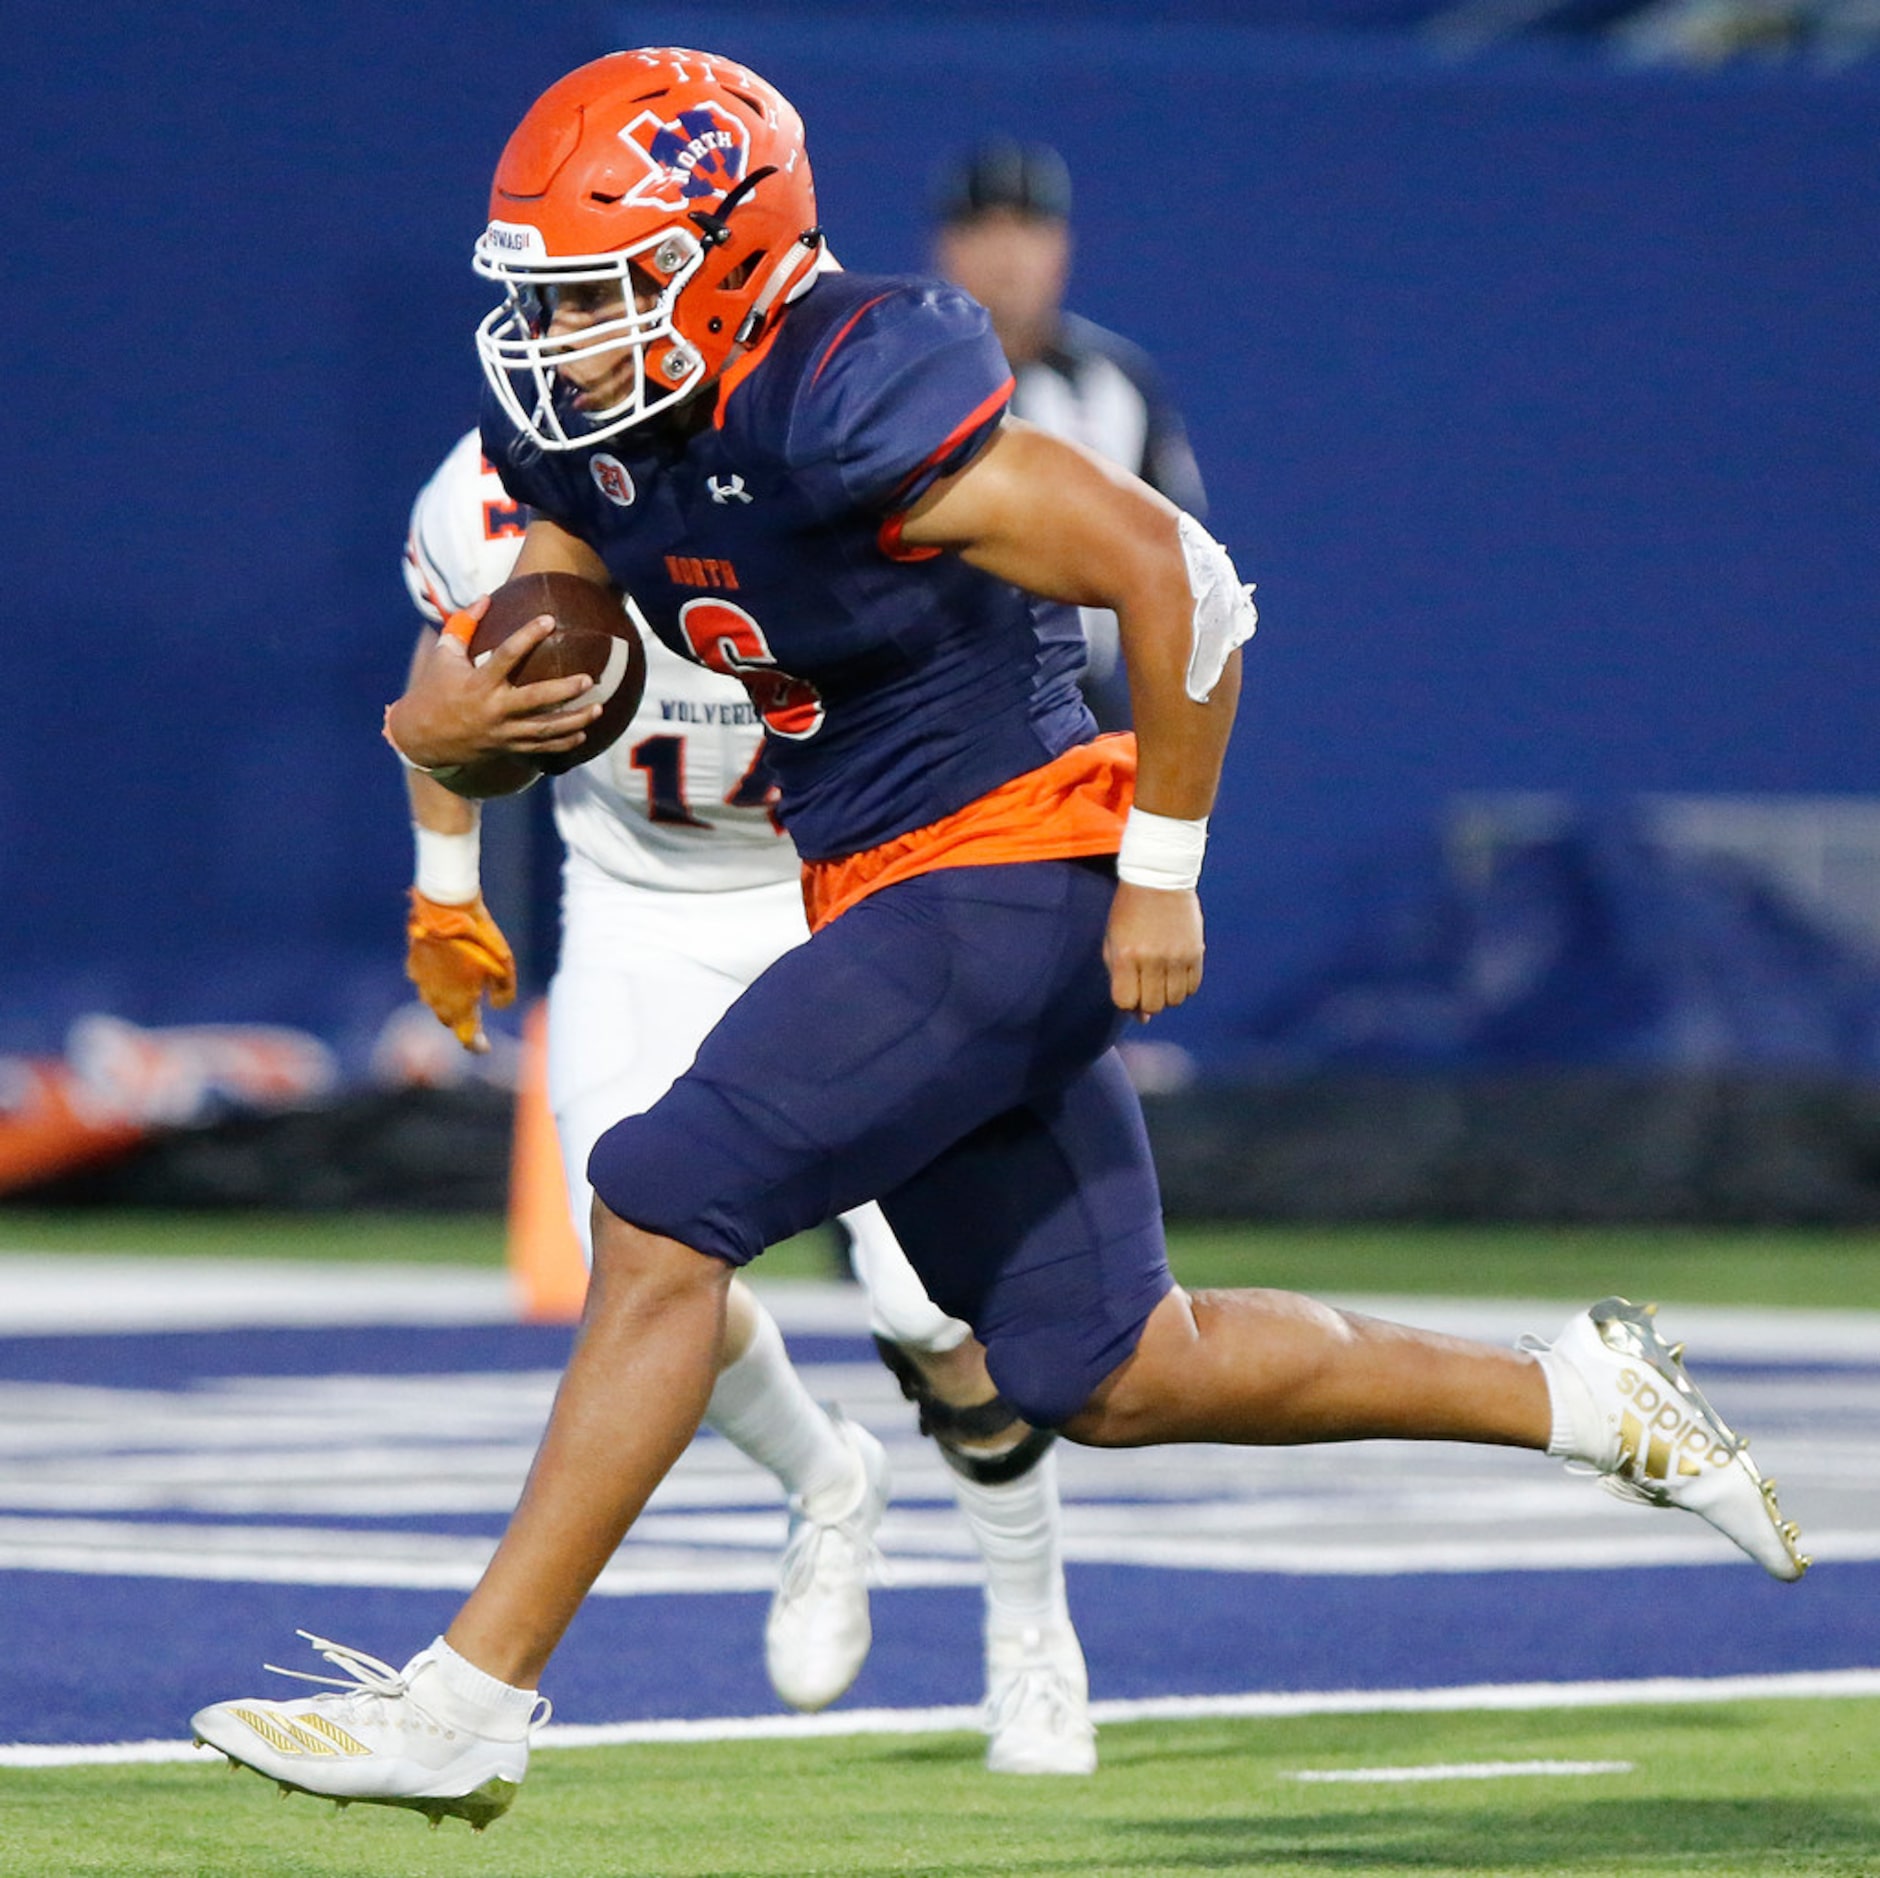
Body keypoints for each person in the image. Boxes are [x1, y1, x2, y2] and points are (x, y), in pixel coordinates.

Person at [192, 47, 1805, 1831]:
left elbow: (1178, 576)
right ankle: (1587, 1396)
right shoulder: (594, 426)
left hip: (1005, 873)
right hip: (880, 886)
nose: (562, 343)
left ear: (728, 260)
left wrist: (1164, 868)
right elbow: (566, 613)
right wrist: (457, 729)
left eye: (600, 295)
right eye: (548, 301)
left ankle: (468, 1700)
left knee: (660, 1203)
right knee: (1110, 1367)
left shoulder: (843, 388)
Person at [395, 426, 1095, 1773]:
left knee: (936, 1306)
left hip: (856, 886)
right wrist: (444, 878)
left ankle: (1034, 1637)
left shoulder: (830, 437)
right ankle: (828, 1477)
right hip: (641, 902)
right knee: (641, 1253)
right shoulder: (490, 501)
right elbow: (446, 689)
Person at [931, 138, 1209, 732]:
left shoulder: (1119, 382)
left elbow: (1182, 561)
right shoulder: (892, 377)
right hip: (930, 705)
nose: (1006, 256)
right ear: (946, 248)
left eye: (1028, 229)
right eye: (983, 229)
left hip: (1081, 709)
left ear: (1062, 247)